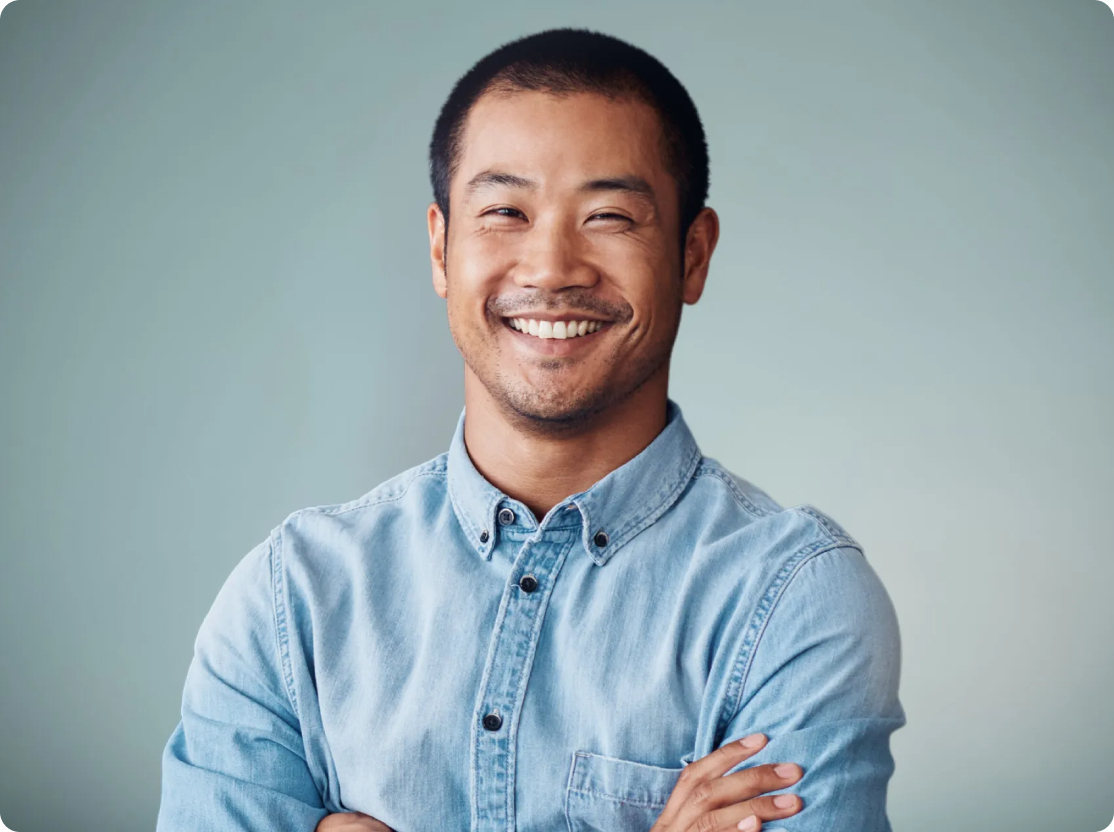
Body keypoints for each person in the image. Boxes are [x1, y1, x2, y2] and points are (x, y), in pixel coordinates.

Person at [156, 27, 904, 832]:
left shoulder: (795, 599)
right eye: (505, 211)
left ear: (692, 255)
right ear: (442, 248)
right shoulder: (290, 600)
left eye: (610, 215)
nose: (551, 268)